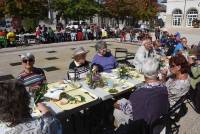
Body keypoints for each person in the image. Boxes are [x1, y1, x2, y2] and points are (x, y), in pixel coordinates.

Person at [113, 58, 169, 129]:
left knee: (117, 109)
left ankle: (119, 127)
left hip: (141, 126)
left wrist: (117, 105)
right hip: (156, 118)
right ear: (158, 72)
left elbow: (131, 110)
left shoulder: (139, 93)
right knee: (122, 101)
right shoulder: (163, 87)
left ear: (143, 72)